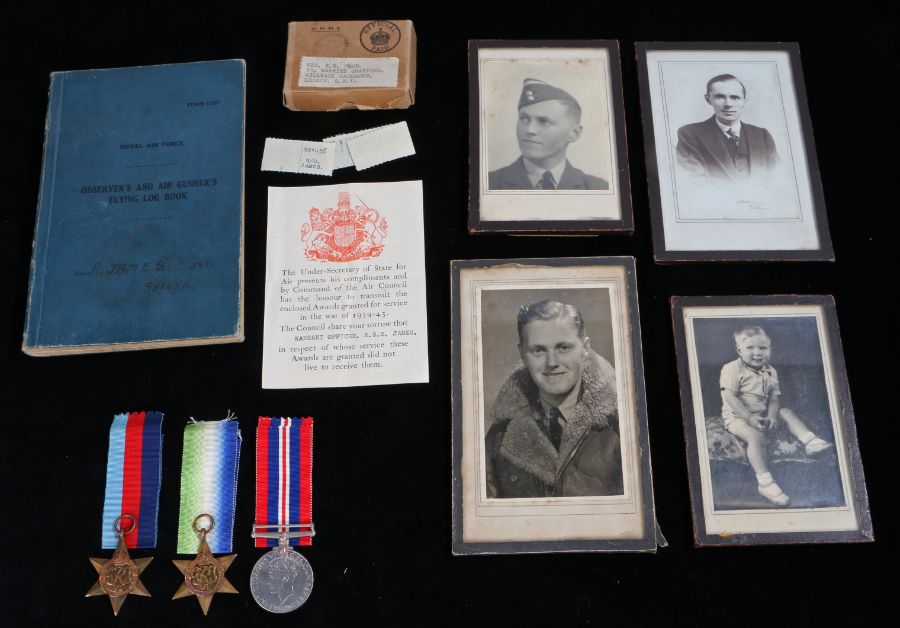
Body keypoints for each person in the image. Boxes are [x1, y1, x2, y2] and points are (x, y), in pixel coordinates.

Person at [485, 299, 622, 498]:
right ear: (523, 355)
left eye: (563, 348)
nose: (552, 362)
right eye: (539, 350)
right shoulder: (499, 437)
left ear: (585, 349)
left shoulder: (622, 428)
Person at [719, 326, 833, 506]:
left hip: (763, 413)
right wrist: (749, 418)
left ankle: (810, 441)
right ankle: (765, 483)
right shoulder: (732, 369)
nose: (757, 353)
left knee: (785, 411)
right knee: (756, 437)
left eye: (763, 348)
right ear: (739, 350)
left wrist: (772, 416)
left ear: (770, 349)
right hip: (738, 417)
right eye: (750, 348)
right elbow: (729, 397)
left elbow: (773, 398)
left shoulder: (771, 371)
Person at [488, 79, 609, 191]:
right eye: (524, 119)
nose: (530, 130)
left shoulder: (598, 188)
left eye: (544, 121)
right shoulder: (489, 184)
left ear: (574, 134)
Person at [676, 74, 779, 181]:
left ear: (744, 101)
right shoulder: (689, 134)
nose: (728, 104)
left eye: (735, 97)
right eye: (719, 97)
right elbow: (694, 182)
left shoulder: (762, 135)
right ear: (708, 99)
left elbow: (777, 178)